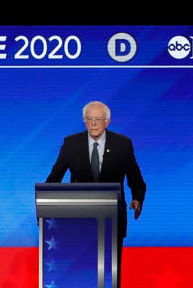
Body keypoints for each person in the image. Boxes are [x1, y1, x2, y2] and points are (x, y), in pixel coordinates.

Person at [45, 100, 145, 239]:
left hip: (113, 217)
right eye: (89, 119)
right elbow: (53, 179)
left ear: (107, 121)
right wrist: (47, 207)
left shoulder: (122, 144)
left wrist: (137, 199)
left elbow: (136, 180)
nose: (93, 123)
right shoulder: (71, 144)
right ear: (84, 121)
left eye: (98, 119)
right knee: (82, 260)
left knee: (111, 260)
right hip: (80, 216)